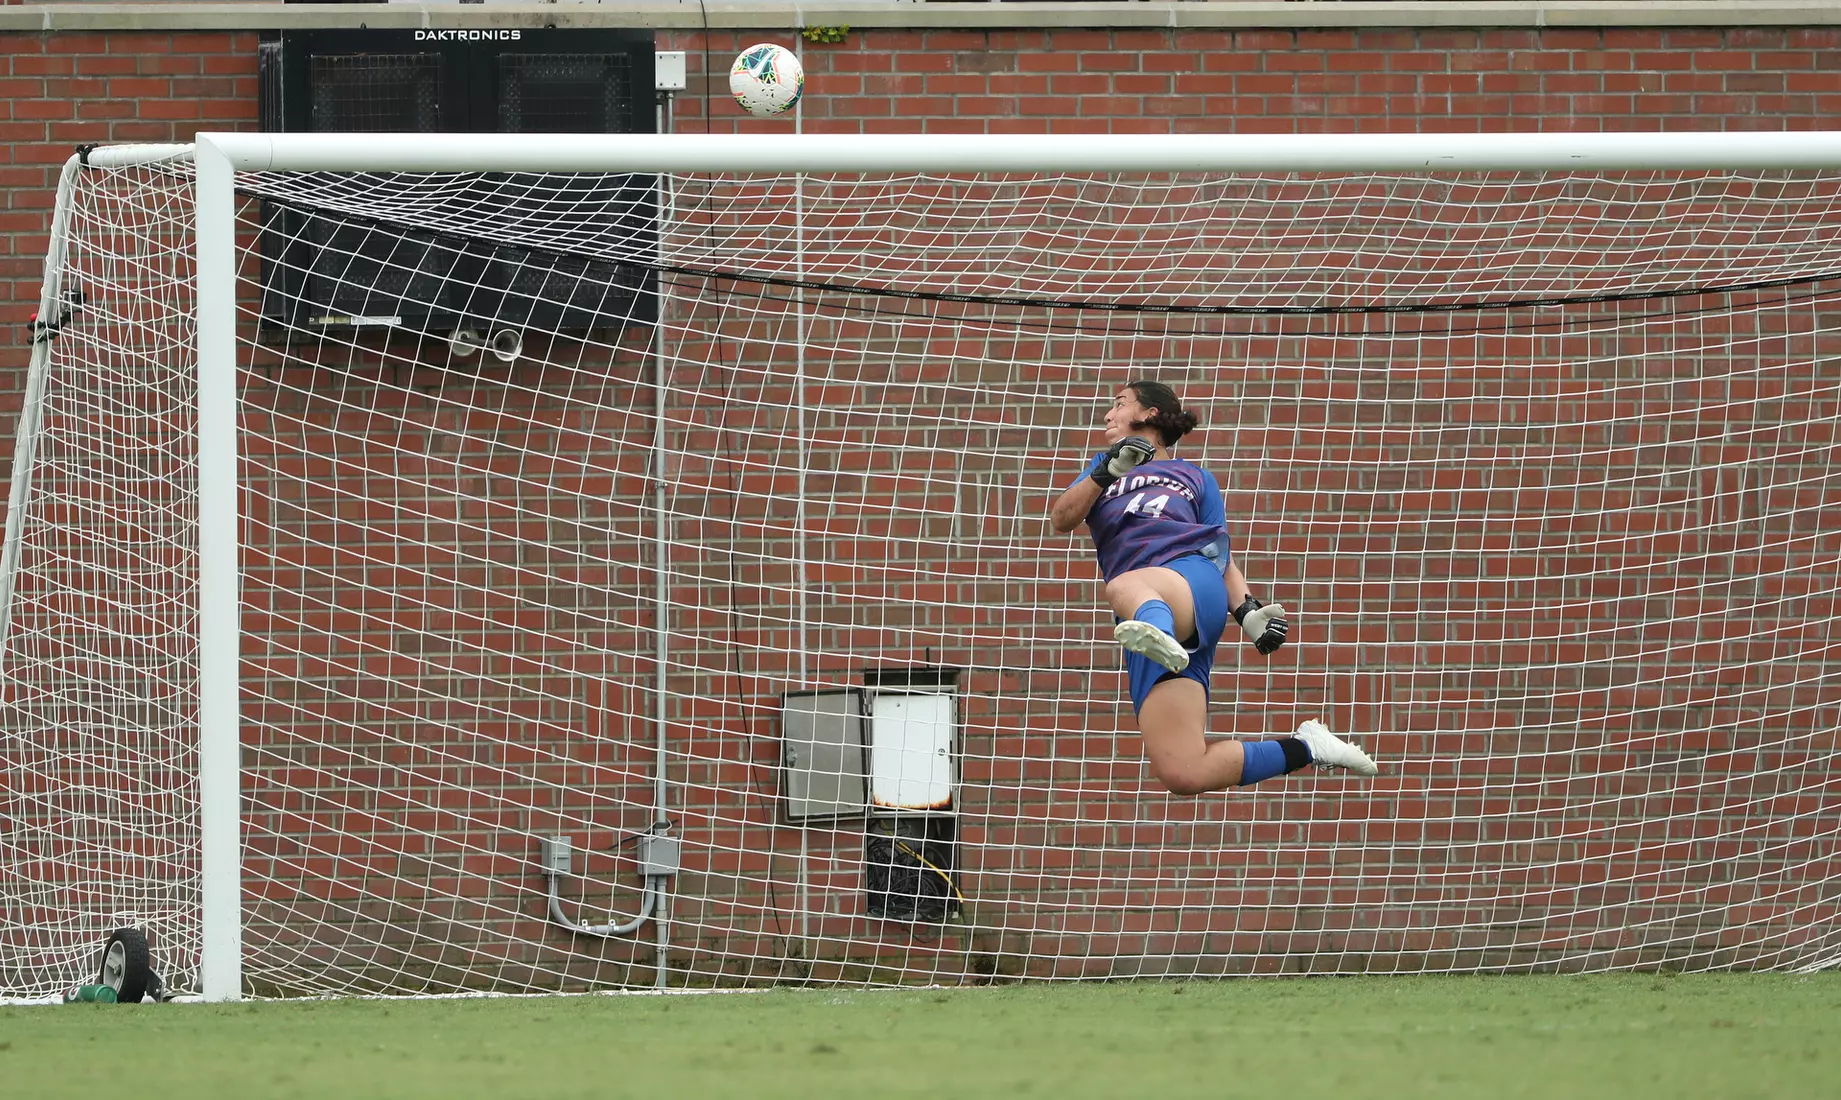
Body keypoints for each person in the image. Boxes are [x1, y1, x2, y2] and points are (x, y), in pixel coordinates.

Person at [1049, 380, 1378, 795]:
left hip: (1187, 583)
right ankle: (1308, 747)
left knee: (1123, 584)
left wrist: (1246, 611)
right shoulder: (1103, 467)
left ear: (1148, 414)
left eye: (1119, 405)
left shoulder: (1195, 477)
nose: (1108, 415)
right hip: (1147, 616)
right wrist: (1105, 471)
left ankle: (1159, 630)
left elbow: (1218, 551)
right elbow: (1062, 517)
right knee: (1184, 771)